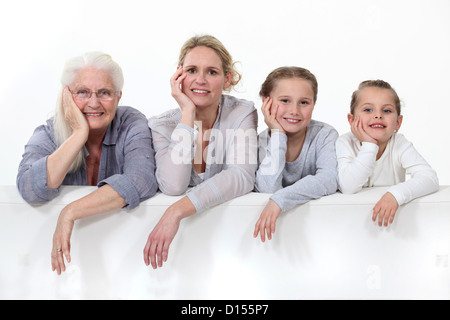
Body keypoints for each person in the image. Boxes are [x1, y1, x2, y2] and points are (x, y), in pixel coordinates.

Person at [16, 52, 158, 274]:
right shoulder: (49, 133)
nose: (93, 103)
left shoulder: (130, 122)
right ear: (67, 96)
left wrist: (70, 211)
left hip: (125, 258)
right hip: (55, 268)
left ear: (119, 97)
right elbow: (28, 188)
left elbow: (142, 180)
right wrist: (78, 134)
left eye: (104, 93)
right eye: (82, 92)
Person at [145, 35, 258, 269]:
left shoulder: (242, 113)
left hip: (234, 245)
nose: (201, 80)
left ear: (227, 79)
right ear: (179, 76)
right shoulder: (161, 125)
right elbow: (173, 185)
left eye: (212, 72)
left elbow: (242, 176)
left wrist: (176, 211)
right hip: (176, 256)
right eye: (192, 70)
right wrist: (187, 114)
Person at [336, 80, 439, 227]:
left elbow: (430, 178)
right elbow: (348, 187)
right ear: (352, 120)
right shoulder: (345, 142)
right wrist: (369, 145)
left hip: (390, 225)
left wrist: (395, 195)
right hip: (351, 224)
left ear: (398, 122)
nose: (378, 115)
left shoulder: (399, 143)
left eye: (386, 111)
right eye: (368, 110)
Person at [254, 67, 339, 242]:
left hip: (317, 231)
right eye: (285, 100)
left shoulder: (324, 135)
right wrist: (277, 134)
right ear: (266, 103)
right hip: (272, 238)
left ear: (314, 104)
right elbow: (267, 189)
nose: (294, 111)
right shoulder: (257, 143)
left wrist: (281, 199)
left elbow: (329, 179)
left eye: (304, 102)